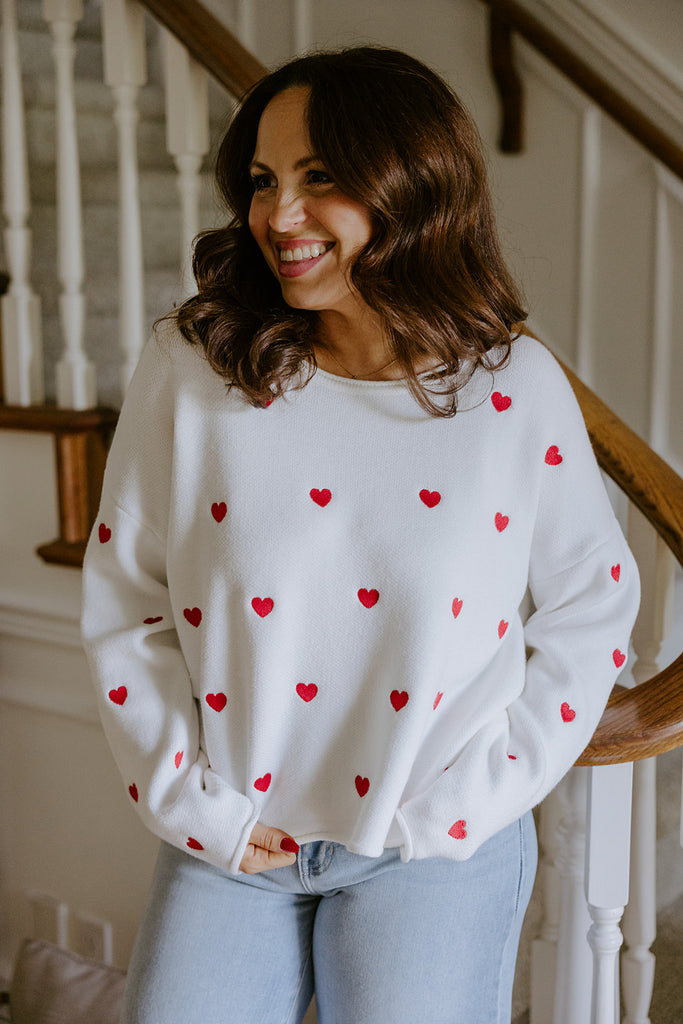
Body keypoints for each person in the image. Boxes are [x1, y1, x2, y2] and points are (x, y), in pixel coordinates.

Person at [81, 46, 640, 1024]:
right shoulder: (193, 366)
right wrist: (191, 799)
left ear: (410, 186)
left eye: (319, 179)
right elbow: (125, 599)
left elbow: (592, 607)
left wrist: (462, 803)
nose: (277, 216)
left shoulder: (511, 391)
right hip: (234, 836)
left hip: (431, 847)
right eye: (262, 180)